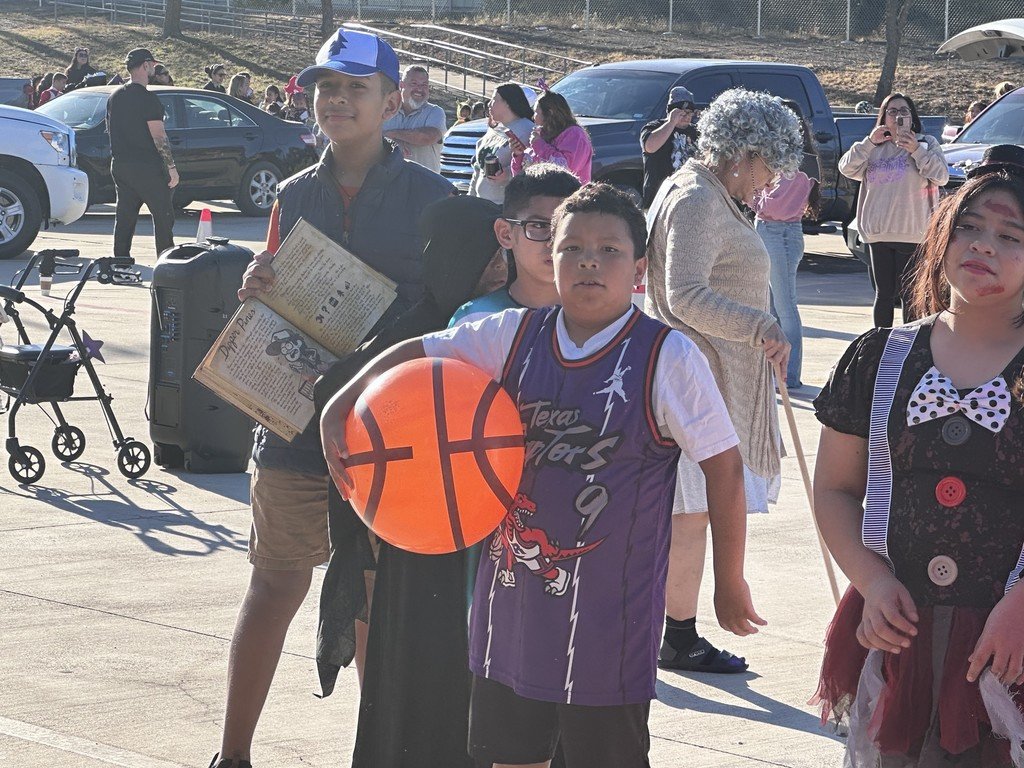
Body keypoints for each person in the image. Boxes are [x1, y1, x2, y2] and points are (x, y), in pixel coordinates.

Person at [321, 182, 762, 768]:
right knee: (511, 758)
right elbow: (420, 351)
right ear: (546, 259)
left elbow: (724, 468)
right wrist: (343, 403)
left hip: (610, 621)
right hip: (510, 613)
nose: (588, 261)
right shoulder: (512, 337)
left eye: (609, 250)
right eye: (571, 247)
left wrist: (727, 580)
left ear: (640, 268)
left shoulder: (667, 357)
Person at [207, 28, 453, 768]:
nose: (338, 100)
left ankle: (382, 755)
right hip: (292, 426)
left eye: (355, 88)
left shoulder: (434, 197)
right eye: (326, 87)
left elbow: (451, 312)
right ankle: (233, 756)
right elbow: (273, 289)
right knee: (275, 585)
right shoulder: (293, 191)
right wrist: (255, 285)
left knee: (376, 598)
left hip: (390, 431)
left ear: (391, 101)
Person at [810, 144, 1024, 767]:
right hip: (897, 628)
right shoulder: (879, 356)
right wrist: (871, 581)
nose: (983, 245)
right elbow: (836, 489)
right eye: (969, 227)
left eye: (1012, 236)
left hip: (1008, 637)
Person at [313, 195, 508, 768]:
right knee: (398, 673)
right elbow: (342, 395)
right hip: (396, 525)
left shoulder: (486, 329)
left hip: (458, 528)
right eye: (487, 259)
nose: (499, 271)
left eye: (504, 260)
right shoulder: (421, 331)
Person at [645, 88, 803, 674]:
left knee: (693, 513)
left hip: (706, 374)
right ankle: (677, 634)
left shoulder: (708, 193)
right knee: (690, 513)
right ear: (741, 152)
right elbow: (684, 293)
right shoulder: (697, 199)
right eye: (767, 167)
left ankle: (672, 628)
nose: (769, 182)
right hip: (697, 380)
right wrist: (758, 324)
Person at [839, 92, 949, 328]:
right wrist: (870, 142)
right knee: (884, 293)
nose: (898, 116)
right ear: (883, 118)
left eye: (904, 112)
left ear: (912, 117)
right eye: (892, 111)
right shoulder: (873, 147)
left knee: (911, 296)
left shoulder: (926, 143)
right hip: (878, 233)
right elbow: (846, 168)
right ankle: (880, 344)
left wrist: (916, 150)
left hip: (913, 232)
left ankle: (909, 347)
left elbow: (941, 176)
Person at [451, 162, 580, 327]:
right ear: (505, 233)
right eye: (539, 226)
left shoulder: (606, 317)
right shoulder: (475, 320)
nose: (555, 243)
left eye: (568, 228)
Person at [753, 99, 822, 390]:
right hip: (771, 232)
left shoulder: (801, 161)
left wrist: (752, 195)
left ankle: (789, 374)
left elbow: (776, 206)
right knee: (772, 307)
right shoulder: (782, 157)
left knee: (785, 305)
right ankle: (776, 371)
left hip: (779, 232)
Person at [106, 48, 177, 266]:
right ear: (145, 66)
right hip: (147, 166)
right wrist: (171, 168)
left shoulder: (115, 96)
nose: (155, 68)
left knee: (125, 217)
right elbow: (158, 136)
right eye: (153, 65)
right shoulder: (148, 99)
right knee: (163, 216)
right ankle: (165, 265)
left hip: (120, 165)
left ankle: (120, 262)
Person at [469, 82, 535, 204]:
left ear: (508, 103)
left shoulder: (527, 130)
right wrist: (470, 198)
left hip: (506, 207)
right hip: (481, 203)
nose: (489, 104)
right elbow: (479, 169)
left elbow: (534, 166)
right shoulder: (496, 128)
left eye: (494, 99)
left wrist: (508, 175)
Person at [511, 90, 593, 183]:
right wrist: (518, 155)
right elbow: (520, 179)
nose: (533, 117)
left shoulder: (575, 135)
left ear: (550, 112)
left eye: (536, 112)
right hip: (537, 195)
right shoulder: (541, 134)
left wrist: (539, 144)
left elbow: (565, 170)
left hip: (566, 196)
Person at [640, 86, 700, 209]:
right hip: (659, 199)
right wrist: (671, 122)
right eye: (682, 113)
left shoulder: (697, 132)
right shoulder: (654, 127)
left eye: (690, 112)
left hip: (689, 197)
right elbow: (650, 147)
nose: (686, 116)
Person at [381, 65, 447, 173]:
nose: (419, 89)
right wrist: (393, 141)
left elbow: (428, 137)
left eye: (424, 85)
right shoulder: (384, 111)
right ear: (401, 85)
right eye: (414, 84)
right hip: (388, 184)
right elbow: (370, 139)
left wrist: (391, 135)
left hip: (424, 185)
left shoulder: (435, 112)